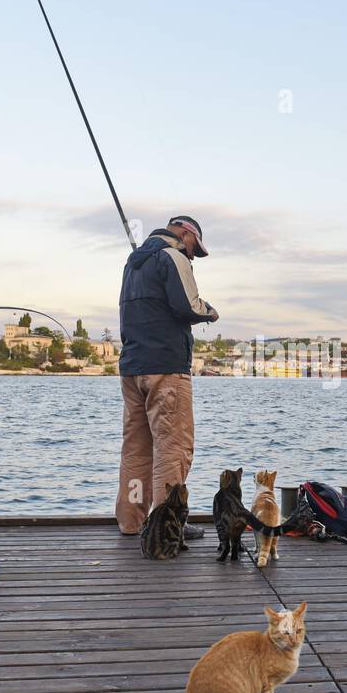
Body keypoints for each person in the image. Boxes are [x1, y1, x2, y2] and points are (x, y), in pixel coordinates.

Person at [115, 215, 219, 536]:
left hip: (133, 369)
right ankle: (168, 523)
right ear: (186, 233)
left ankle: (132, 522)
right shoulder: (173, 257)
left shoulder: (132, 264)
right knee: (174, 447)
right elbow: (188, 305)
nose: (192, 256)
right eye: (194, 248)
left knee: (136, 449)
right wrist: (211, 312)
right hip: (166, 369)